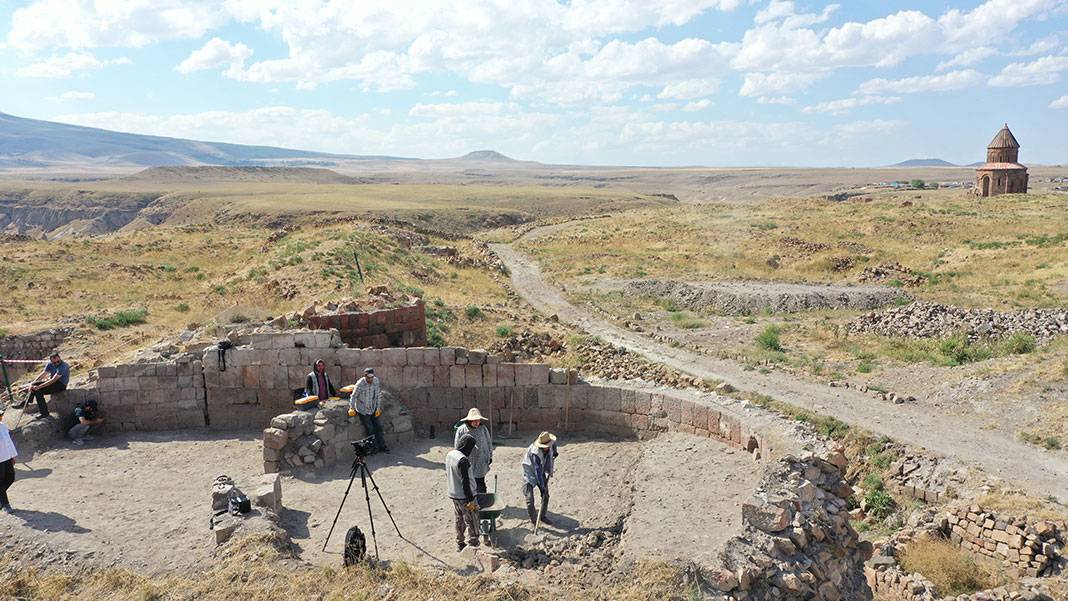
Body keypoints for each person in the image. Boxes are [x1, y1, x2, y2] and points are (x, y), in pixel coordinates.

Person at [446, 433, 479, 552]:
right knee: (472, 520)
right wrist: (470, 499)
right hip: (465, 496)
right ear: (466, 446)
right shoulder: (463, 460)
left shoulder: (450, 455)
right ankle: (473, 544)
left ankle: (460, 543)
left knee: (459, 519)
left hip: (454, 494)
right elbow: (465, 482)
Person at [521, 431, 559, 526]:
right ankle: (534, 521)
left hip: (540, 470)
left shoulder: (550, 444)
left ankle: (542, 516)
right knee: (529, 499)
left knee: (545, 496)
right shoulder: (535, 453)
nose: (548, 447)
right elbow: (537, 471)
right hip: (529, 472)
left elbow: (554, 443)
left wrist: (555, 452)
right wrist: (542, 486)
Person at [454, 408, 493, 494]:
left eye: (478, 420)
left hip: (481, 461)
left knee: (480, 482)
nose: (476, 422)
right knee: (469, 483)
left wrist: (490, 456)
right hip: (468, 461)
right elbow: (457, 447)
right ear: (469, 420)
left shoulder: (483, 429)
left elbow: (488, 442)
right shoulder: (461, 430)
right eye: (474, 420)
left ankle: (482, 499)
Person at [350, 368, 388, 453]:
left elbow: (378, 395)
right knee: (370, 429)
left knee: (378, 427)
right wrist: (351, 408)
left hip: (373, 408)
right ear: (365, 376)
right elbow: (353, 396)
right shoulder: (360, 384)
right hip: (363, 409)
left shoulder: (376, 381)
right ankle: (373, 448)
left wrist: (378, 408)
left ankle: (382, 446)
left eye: (372, 377)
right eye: (368, 377)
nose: (370, 379)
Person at [26, 353, 70, 418]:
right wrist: (32, 384)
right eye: (54, 363)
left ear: (60, 358)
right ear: (51, 362)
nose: (56, 363)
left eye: (58, 361)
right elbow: (43, 374)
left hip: (61, 385)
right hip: (53, 383)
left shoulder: (64, 366)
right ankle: (28, 403)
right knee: (36, 388)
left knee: (38, 390)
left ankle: (43, 412)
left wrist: (39, 386)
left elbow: (53, 380)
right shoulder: (50, 364)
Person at [0, 407, 18, 513]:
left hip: (6, 456)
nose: (1, 417)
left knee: (11, 477)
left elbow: (8, 442)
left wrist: (12, 455)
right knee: (1, 481)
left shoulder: (3, 426)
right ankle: (5, 504)